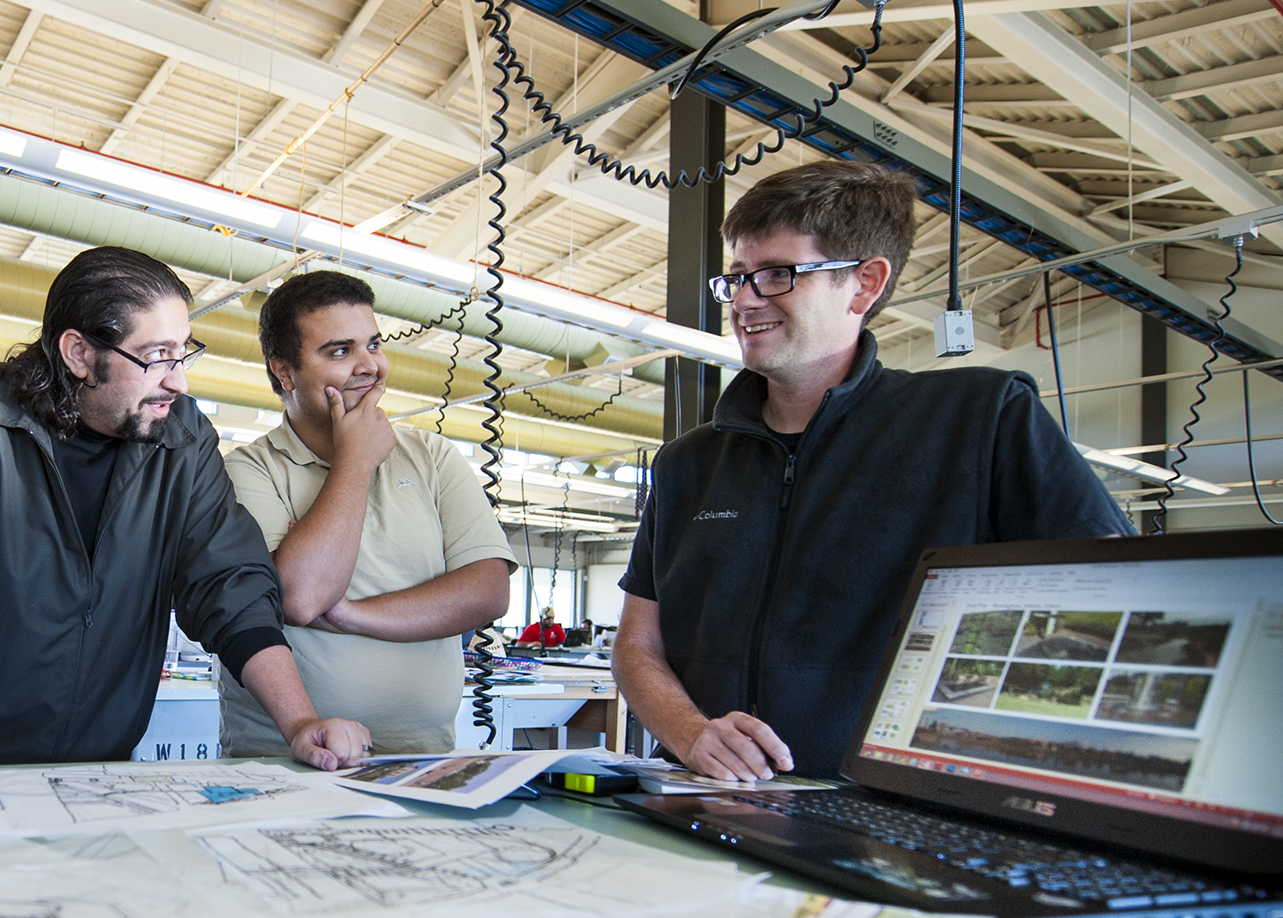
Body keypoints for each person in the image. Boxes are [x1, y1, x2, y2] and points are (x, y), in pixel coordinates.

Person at [614, 160, 1129, 782]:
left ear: (864, 284)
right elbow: (639, 644)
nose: (745, 300)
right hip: (708, 801)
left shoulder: (978, 421)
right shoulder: (688, 464)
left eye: (778, 274)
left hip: (895, 813)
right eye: (739, 277)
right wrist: (693, 736)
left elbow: (1110, 596)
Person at [0, 247, 372, 798]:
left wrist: (301, 724)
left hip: (102, 775)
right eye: (156, 356)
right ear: (77, 353)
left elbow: (229, 584)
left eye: (183, 353)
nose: (179, 382)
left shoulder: (182, 438)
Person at [217, 271, 513, 757]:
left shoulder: (432, 456)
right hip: (284, 758)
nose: (368, 366)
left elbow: (487, 591)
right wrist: (354, 460)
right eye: (339, 351)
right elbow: (302, 596)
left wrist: (352, 614)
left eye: (373, 344)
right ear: (285, 371)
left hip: (421, 755)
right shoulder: (247, 470)